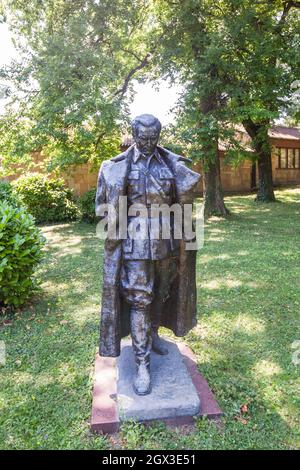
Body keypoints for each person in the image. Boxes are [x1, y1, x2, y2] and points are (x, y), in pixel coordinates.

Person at [96, 114, 201, 395]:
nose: (148, 143)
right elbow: (100, 209)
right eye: (143, 138)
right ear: (134, 135)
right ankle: (142, 364)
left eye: (153, 138)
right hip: (134, 244)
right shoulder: (115, 167)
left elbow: (185, 203)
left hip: (167, 242)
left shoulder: (172, 164)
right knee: (140, 298)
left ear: (159, 136)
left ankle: (153, 334)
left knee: (161, 291)